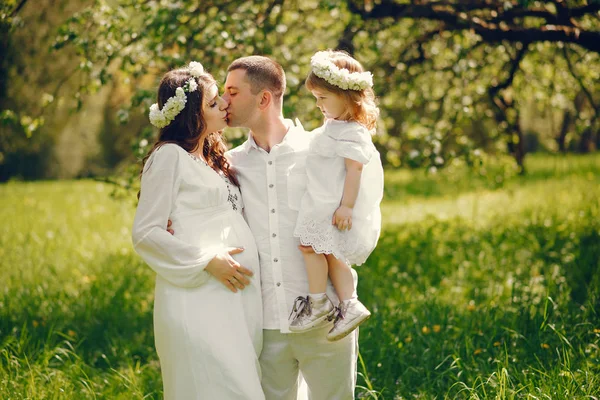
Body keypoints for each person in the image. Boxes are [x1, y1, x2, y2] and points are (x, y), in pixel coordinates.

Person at [224, 55, 359, 400]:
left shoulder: (320, 150)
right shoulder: (230, 165)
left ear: (264, 98)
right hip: (265, 324)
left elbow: (358, 206)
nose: (224, 101)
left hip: (329, 318)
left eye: (233, 92)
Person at [131, 62, 265, 400]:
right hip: (197, 298)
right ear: (191, 114)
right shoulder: (169, 157)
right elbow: (146, 232)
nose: (224, 106)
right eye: (213, 102)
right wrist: (206, 260)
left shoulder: (212, 158)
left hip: (230, 302)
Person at [288, 50, 383, 342]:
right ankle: (345, 303)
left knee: (316, 248)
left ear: (346, 96)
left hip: (331, 205)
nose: (318, 105)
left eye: (323, 98)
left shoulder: (353, 132)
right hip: (321, 200)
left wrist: (347, 206)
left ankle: (324, 303)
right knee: (325, 252)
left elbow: (354, 171)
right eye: (316, 98)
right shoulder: (335, 126)